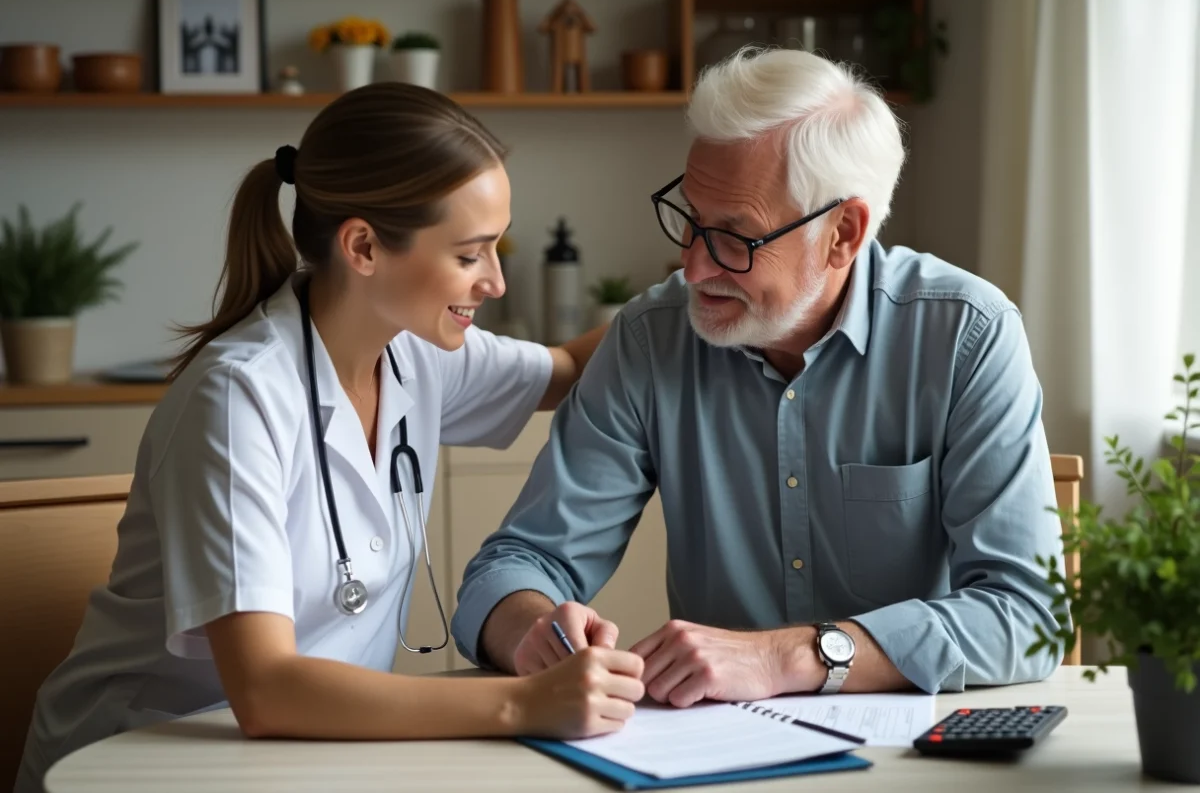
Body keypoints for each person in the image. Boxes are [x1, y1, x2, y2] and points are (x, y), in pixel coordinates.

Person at [14, 82, 646, 793]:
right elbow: (266, 689)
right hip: (143, 763)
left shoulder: (417, 354)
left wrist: (696, 284)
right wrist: (523, 702)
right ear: (363, 246)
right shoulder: (239, 398)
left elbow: (569, 368)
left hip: (309, 761)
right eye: (470, 254)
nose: (496, 281)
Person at [451, 47, 1069, 707]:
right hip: (709, 755)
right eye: (690, 219)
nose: (692, 267)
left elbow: (1027, 614)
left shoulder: (965, 336)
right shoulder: (649, 340)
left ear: (843, 233)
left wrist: (791, 655)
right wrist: (533, 629)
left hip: (914, 755)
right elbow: (517, 563)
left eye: (734, 238)